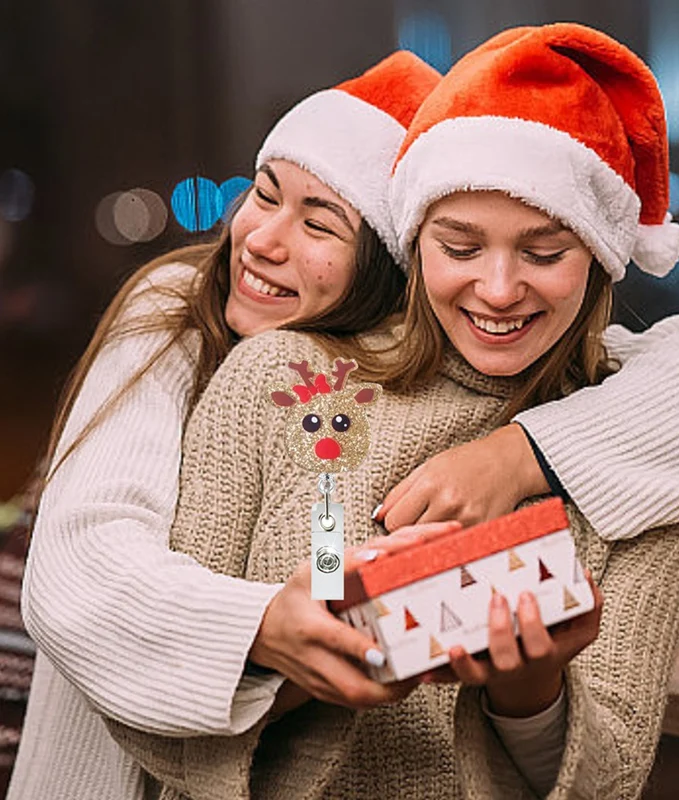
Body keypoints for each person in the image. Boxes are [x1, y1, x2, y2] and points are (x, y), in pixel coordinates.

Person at [105, 23, 679, 800]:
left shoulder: (649, 459)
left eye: (543, 253)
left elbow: (609, 780)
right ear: (413, 245)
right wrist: (293, 661)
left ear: (601, 256)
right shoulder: (278, 379)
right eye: (460, 248)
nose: (499, 289)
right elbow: (150, 713)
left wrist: (532, 694)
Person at [9, 51, 442, 800]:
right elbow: (81, 556)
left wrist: (520, 453)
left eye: (319, 223)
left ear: (385, 267)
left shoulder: (402, 379)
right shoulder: (177, 307)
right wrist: (263, 624)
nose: (263, 240)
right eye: (264, 195)